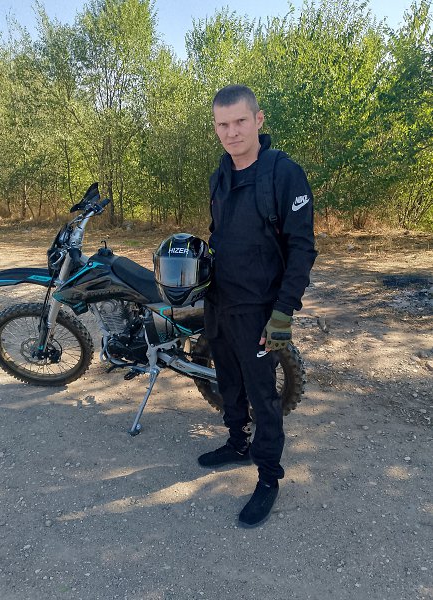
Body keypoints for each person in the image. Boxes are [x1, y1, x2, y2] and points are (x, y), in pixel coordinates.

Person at [198, 84, 317, 528]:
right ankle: (237, 442)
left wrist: (283, 312)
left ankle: (268, 476)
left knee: (263, 397)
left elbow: (302, 248)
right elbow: (218, 235)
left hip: (260, 309)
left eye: (239, 122)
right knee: (227, 381)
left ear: (258, 120)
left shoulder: (284, 174)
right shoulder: (219, 175)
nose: (231, 132)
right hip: (219, 302)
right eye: (222, 124)